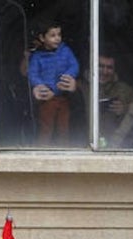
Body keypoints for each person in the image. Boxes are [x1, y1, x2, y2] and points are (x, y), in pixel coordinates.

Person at [27, 19, 80, 147]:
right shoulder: (37, 56)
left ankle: (64, 148)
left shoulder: (65, 51)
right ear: (42, 38)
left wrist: (69, 75)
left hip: (63, 96)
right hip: (47, 98)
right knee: (46, 126)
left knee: (64, 126)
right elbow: (33, 73)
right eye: (52, 35)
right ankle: (42, 148)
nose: (57, 38)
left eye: (59, 35)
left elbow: (74, 65)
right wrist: (40, 85)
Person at [94, 54, 133, 148]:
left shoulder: (126, 90)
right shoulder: (81, 87)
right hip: (84, 146)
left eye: (109, 67)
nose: (105, 72)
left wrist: (125, 111)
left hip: (117, 147)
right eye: (100, 66)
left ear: (115, 70)